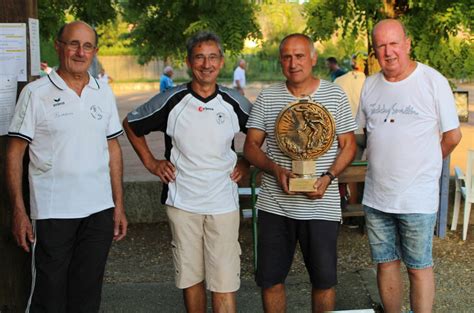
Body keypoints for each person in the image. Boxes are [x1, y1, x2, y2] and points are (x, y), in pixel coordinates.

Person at [123, 31, 251, 313]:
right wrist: (151, 163)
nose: (206, 64)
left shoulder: (235, 102)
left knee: (224, 280)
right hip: (183, 203)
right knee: (191, 277)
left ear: (222, 61)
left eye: (213, 57)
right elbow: (131, 124)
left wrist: (246, 162)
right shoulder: (172, 100)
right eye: (199, 57)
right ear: (188, 61)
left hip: (223, 203)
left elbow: (259, 134)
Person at [6, 21, 128, 312]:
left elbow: (113, 147)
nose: (79, 52)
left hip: (99, 212)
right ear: (59, 46)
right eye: (73, 43)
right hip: (53, 213)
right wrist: (19, 211)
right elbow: (15, 152)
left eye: (87, 46)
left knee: (87, 295)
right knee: (50, 297)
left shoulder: (102, 90)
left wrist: (118, 205)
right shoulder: (37, 94)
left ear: (94, 51)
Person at [244, 33, 357, 313]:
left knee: (324, 282)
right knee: (270, 281)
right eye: (287, 57)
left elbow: (348, 145)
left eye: (300, 56)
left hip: (322, 207)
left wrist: (327, 178)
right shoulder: (269, 97)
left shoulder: (334, 94)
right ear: (280, 61)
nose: (293, 63)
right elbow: (250, 146)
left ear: (313, 58)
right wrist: (275, 169)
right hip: (275, 205)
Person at [357, 19, 462, 313]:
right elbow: (363, 135)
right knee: (385, 263)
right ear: (374, 50)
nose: (388, 52)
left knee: (418, 267)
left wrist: (426, 162)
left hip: (417, 197)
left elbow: (453, 136)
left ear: (407, 43)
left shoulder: (432, 81)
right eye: (381, 45)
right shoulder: (369, 84)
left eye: (393, 44)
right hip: (377, 196)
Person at [335, 54, 367, 206]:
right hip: (366, 130)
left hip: (347, 131)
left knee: (352, 172)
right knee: (368, 170)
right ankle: (364, 207)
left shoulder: (339, 81)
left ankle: (354, 207)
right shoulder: (370, 80)